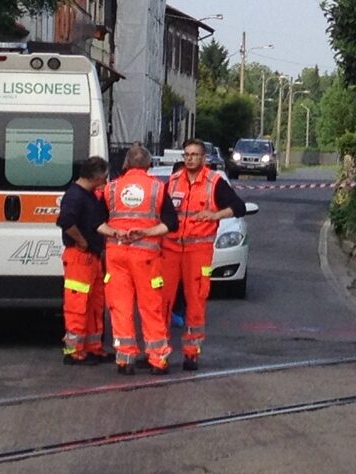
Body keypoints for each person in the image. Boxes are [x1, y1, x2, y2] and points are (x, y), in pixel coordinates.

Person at [162, 138, 246, 371]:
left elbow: (238, 207)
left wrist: (215, 215)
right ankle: (159, 352)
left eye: (195, 155)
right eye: (187, 154)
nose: (190, 158)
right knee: (162, 301)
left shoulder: (215, 182)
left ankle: (191, 353)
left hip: (198, 251)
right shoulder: (173, 181)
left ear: (204, 158)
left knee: (196, 301)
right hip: (170, 249)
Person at [98, 145, 178, 376]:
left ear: (125, 165)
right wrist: (146, 233)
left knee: (120, 307)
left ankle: (125, 359)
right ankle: (157, 359)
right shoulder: (157, 188)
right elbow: (171, 223)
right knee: (151, 307)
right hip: (147, 258)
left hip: (117, 255)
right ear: (149, 165)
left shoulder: (111, 189)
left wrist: (115, 232)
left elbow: (96, 222)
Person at [56, 156, 110, 366]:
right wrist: (82, 241)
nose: (105, 180)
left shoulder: (87, 195)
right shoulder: (75, 195)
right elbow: (65, 221)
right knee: (77, 306)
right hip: (80, 257)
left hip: (92, 257)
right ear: (96, 177)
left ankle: (92, 348)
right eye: (103, 177)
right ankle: (74, 352)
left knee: (95, 304)